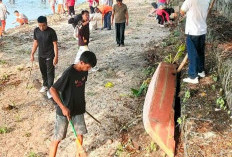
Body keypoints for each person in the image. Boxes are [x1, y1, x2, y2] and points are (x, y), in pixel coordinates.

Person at [48, 51, 97, 157]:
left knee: (80, 135)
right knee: (58, 137)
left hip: (78, 108)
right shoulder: (69, 73)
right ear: (82, 62)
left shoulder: (85, 71)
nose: (88, 69)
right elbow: (52, 90)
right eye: (88, 67)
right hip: (64, 111)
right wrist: (62, 107)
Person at [180, 0, 210, 84]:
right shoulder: (207, 0)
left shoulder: (189, 1)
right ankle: (201, 71)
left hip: (192, 31)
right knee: (200, 52)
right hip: (202, 30)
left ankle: (193, 76)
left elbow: (182, 12)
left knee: (192, 54)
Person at [30, 16, 58, 98]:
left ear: (46, 24)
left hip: (50, 55)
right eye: (40, 26)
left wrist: (56, 57)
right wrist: (32, 53)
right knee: (43, 71)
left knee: (50, 73)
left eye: (43, 25)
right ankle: (45, 85)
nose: (41, 28)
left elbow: (55, 44)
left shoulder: (51, 32)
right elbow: (35, 42)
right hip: (41, 55)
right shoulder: (36, 30)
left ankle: (50, 89)